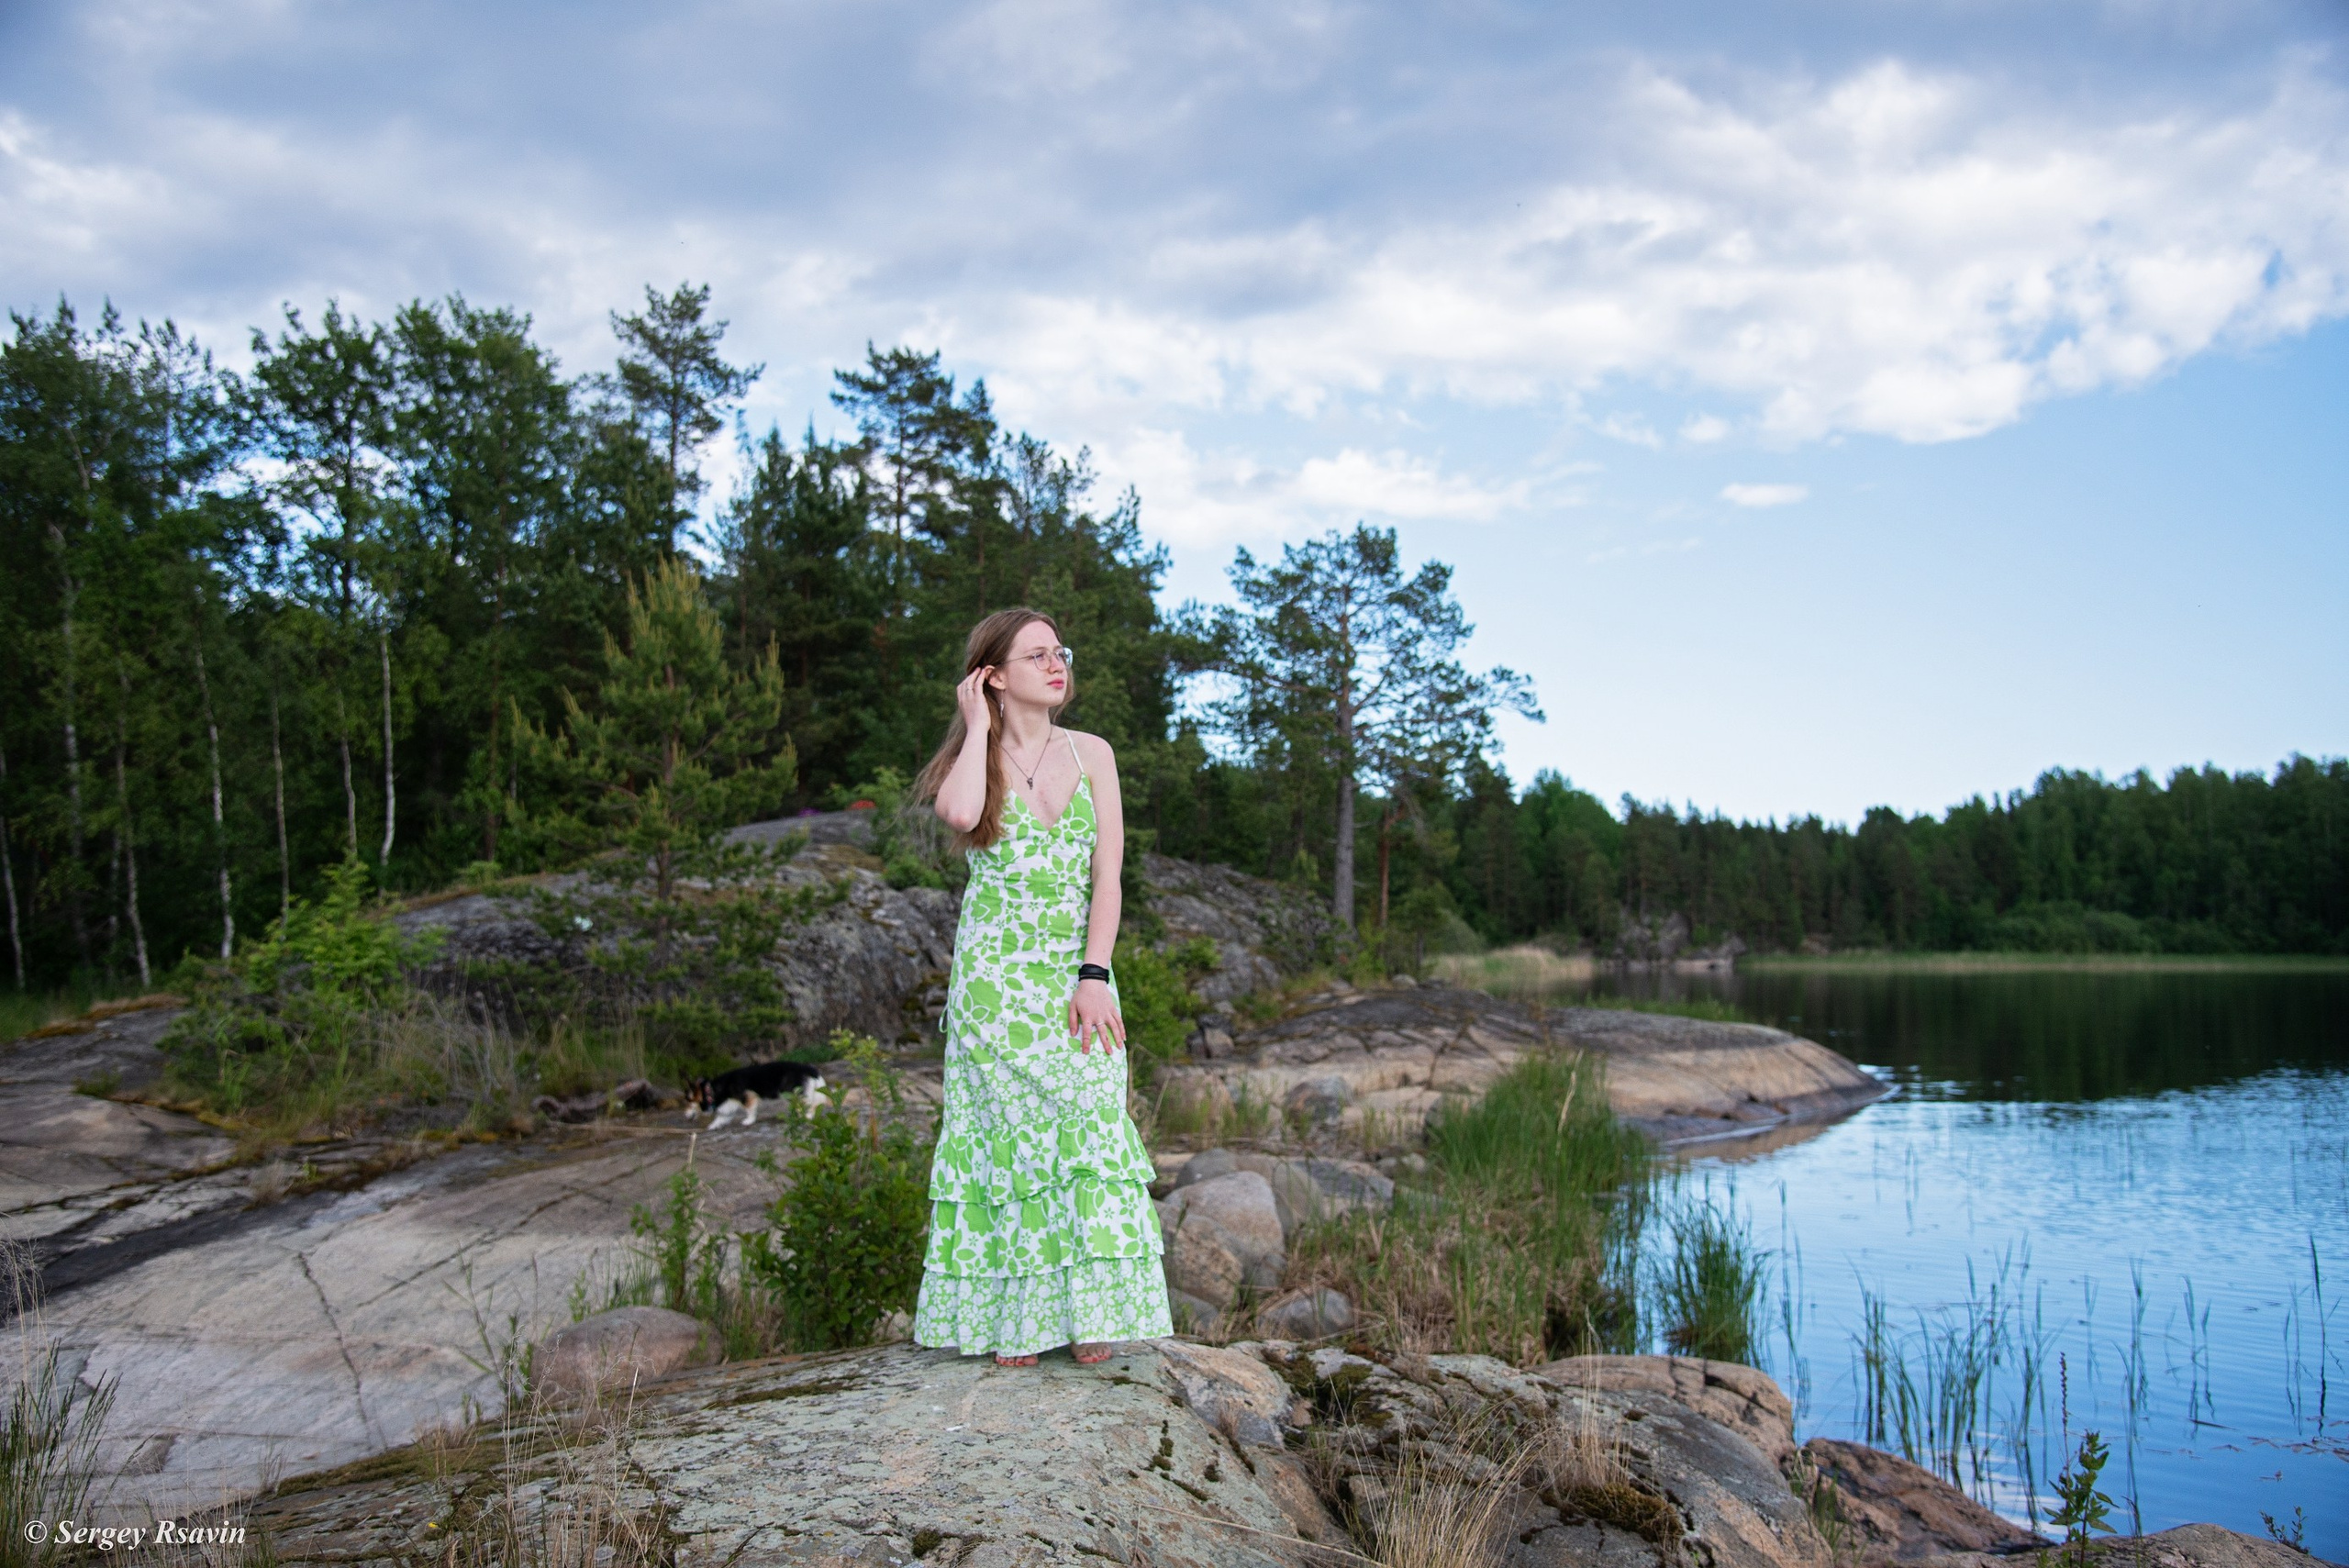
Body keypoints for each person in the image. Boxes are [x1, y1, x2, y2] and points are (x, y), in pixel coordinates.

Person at [909, 607, 1174, 1366]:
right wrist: (976, 724)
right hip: (994, 990)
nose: (1057, 663)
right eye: (1036, 654)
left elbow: (1109, 877)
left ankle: (1089, 1312)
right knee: (1008, 1151)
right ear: (993, 675)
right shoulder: (977, 760)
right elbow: (958, 813)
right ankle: (1015, 1320)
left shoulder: (1093, 752)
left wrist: (1095, 974)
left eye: (1061, 649)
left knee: (1089, 1132)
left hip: (1077, 978)